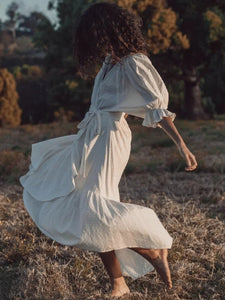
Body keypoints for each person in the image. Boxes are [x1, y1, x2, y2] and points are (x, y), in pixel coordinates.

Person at [20, 2, 197, 298]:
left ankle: (152, 250)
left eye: (96, 32)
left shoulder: (133, 62)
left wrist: (181, 144)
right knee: (84, 203)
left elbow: (156, 104)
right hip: (90, 135)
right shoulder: (110, 62)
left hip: (109, 138)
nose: (93, 39)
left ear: (111, 28)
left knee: (92, 205)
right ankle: (119, 282)